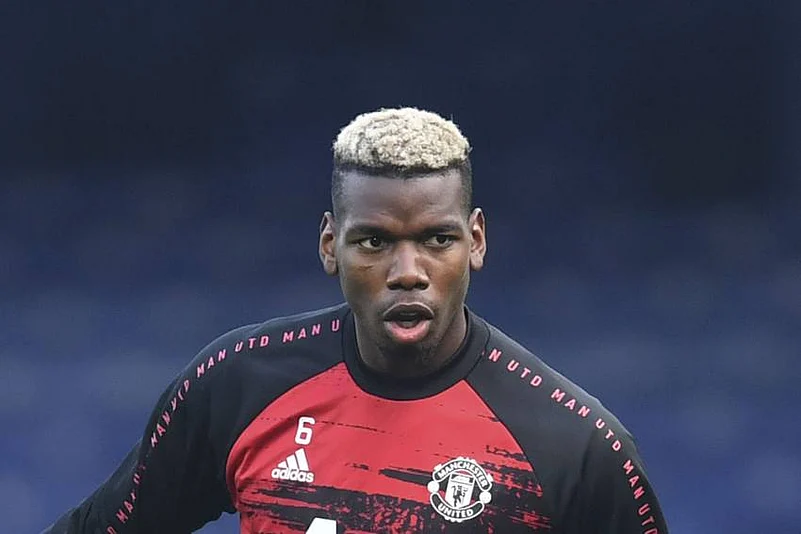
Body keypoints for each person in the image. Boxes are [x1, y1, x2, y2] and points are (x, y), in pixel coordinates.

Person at [43, 107, 668, 533]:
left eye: (438, 240)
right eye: (374, 242)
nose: (408, 271)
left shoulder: (573, 444)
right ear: (329, 244)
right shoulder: (237, 386)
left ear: (476, 241)